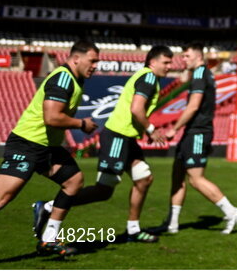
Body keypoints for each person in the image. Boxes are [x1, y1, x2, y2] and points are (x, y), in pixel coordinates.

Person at [35, 45, 173, 244]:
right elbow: (136, 109)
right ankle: (49, 207)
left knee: (144, 179)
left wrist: (143, 131)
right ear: (152, 62)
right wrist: (151, 130)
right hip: (117, 137)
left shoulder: (149, 78)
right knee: (103, 191)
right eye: (166, 62)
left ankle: (133, 230)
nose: (169, 66)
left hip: (127, 137)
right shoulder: (149, 77)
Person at [0, 41, 99, 257]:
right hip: (28, 143)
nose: (95, 66)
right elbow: (52, 117)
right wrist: (82, 124)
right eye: (92, 60)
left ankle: (49, 240)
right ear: (76, 58)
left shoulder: (76, 79)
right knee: (1, 198)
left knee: (73, 181)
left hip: (47, 147)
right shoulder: (63, 78)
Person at [158, 42, 237, 235]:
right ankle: (172, 223)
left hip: (198, 131)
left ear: (198, 57)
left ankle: (231, 212)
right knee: (177, 175)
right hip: (193, 131)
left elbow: (194, 106)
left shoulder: (199, 74)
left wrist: (175, 128)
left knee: (195, 179)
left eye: (187, 56)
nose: (184, 60)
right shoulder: (203, 74)